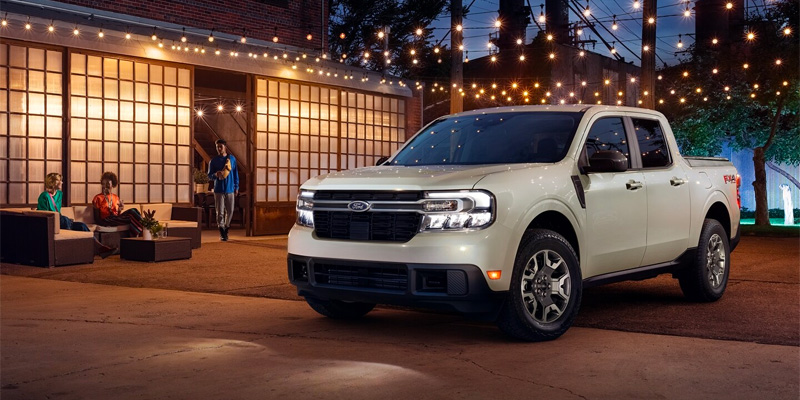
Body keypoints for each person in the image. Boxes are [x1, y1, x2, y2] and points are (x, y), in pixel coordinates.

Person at [38, 172, 115, 258]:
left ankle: (100, 248)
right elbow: (43, 214)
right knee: (65, 220)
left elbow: (58, 212)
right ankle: (71, 249)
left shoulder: (59, 194)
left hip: (61, 221)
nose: (62, 183)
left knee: (82, 226)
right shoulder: (44, 196)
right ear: (54, 182)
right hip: (52, 222)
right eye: (60, 181)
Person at [91, 171, 144, 237]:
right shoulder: (97, 198)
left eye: (107, 184)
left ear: (113, 184)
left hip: (114, 218)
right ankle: (144, 229)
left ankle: (140, 232)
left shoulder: (115, 197)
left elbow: (117, 215)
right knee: (132, 214)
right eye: (103, 184)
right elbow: (97, 219)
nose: (105, 186)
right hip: (105, 220)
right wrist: (104, 224)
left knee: (134, 210)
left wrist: (119, 209)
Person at [207, 139, 239, 241]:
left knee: (230, 210)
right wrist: (216, 174)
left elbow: (235, 174)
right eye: (217, 147)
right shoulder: (213, 161)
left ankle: (226, 227)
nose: (219, 149)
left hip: (230, 189)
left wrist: (236, 187)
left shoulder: (232, 159)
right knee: (219, 212)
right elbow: (209, 175)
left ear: (225, 147)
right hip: (218, 190)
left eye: (221, 146)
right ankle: (222, 231)